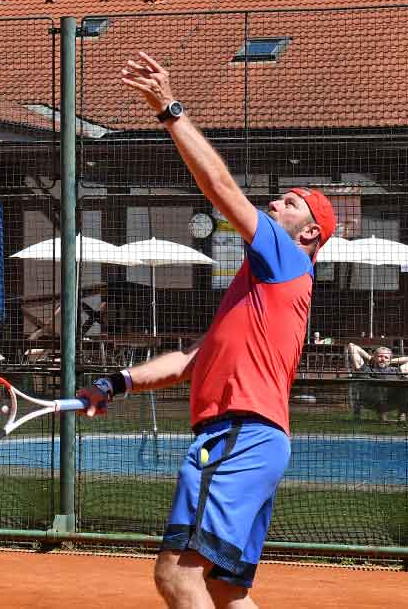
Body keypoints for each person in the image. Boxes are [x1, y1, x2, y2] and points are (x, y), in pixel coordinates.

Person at [75, 52, 335, 609]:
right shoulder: (258, 287)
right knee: (223, 591)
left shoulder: (287, 257)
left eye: (286, 204)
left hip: (239, 436)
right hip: (258, 441)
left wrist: (169, 109)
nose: (273, 204)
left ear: (309, 231)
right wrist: (116, 383)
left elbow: (220, 189)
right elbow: (191, 361)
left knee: (177, 578)